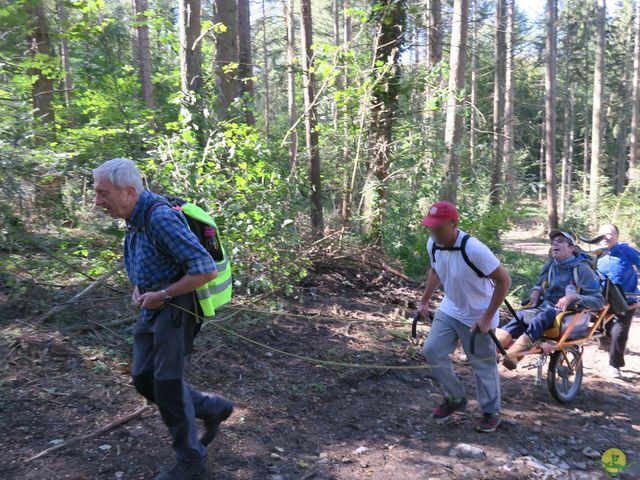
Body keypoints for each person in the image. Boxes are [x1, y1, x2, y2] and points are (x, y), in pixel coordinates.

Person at [93, 158, 233, 480]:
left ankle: (191, 461)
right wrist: (141, 288)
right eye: (97, 193)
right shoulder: (134, 216)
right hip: (152, 303)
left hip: (177, 306)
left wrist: (164, 295)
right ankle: (212, 408)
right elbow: (150, 257)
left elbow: (204, 268)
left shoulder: (159, 219)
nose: (98, 201)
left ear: (129, 192)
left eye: (103, 193)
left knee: (168, 383)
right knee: (143, 377)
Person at [418, 201, 512, 433]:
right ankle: (455, 397)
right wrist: (424, 300)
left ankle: (490, 411)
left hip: (479, 314)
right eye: (431, 227)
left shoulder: (474, 249)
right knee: (432, 350)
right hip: (451, 309)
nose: (434, 232)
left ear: (453, 225)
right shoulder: (434, 244)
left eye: (439, 228)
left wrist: (488, 317)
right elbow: (436, 270)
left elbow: (504, 281)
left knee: (482, 365)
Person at [500, 230, 605, 370]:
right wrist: (536, 292)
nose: (555, 243)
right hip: (547, 307)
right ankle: (493, 347)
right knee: (520, 315)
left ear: (571, 248)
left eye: (560, 241)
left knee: (542, 317)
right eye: (553, 242)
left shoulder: (582, 269)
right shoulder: (550, 265)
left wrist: (573, 297)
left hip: (570, 313)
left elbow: (598, 301)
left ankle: (514, 354)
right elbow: (539, 284)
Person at [596, 224, 640, 378]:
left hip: (626, 300)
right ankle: (607, 344)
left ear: (617, 236)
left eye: (610, 233)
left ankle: (615, 365)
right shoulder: (595, 254)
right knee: (603, 331)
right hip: (602, 301)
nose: (606, 237)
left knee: (619, 332)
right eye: (602, 234)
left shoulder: (627, 251)